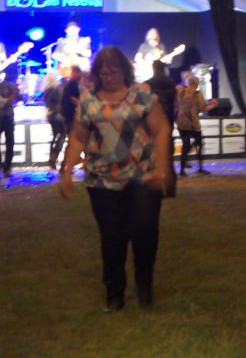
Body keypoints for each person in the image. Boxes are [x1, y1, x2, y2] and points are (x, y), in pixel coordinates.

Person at [59, 46, 173, 313]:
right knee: (112, 237)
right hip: (101, 180)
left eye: (115, 72)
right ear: (97, 74)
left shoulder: (142, 94)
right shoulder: (88, 100)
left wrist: (162, 168)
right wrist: (66, 171)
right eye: (104, 73)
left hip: (143, 175)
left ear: (125, 70)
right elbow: (78, 137)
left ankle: (144, 285)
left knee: (145, 231)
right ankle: (114, 294)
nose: (110, 77)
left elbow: (161, 129)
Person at [145, 60, 177, 195]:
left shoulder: (148, 84)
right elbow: (174, 103)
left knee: (151, 157)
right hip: (168, 121)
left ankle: (154, 188)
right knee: (168, 157)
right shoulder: (171, 83)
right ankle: (170, 189)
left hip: (151, 123)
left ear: (153, 68)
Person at [176, 75, 218, 177]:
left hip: (182, 122)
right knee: (199, 144)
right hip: (193, 124)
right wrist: (213, 105)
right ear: (197, 83)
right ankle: (200, 168)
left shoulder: (182, 92)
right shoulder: (197, 94)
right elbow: (203, 109)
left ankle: (181, 170)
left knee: (185, 145)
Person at [43, 73, 66, 170]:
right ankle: (54, 157)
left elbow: (46, 102)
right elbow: (61, 101)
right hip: (58, 114)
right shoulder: (58, 87)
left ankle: (51, 157)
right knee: (62, 135)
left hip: (50, 113)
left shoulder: (47, 89)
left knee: (55, 135)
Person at [0, 79, 20, 177]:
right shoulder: (8, 86)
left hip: (8, 118)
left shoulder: (7, 85)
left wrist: (17, 92)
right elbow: (7, 102)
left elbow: (19, 97)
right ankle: (4, 168)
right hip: (5, 118)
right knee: (10, 144)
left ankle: (7, 168)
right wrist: (15, 93)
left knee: (10, 143)